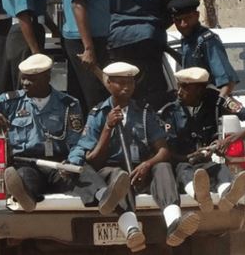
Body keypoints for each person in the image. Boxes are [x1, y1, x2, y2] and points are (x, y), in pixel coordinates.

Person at [0, 54, 129, 215]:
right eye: (23, 78)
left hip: (59, 164)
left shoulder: (68, 104)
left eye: (31, 79)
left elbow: (78, 141)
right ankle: (25, 197)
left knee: (83, 173)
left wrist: (72, 161)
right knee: (24, 177)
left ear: (47, 77)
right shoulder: (9, 101)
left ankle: (104, 198)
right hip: (27, 162)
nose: (25, 83)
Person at [69, 62, 200, 252]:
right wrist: (108, 128)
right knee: (118, 176)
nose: (127, 87)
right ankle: (131, 231)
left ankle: (174, 223)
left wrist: (148, 164)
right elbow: (93, 159)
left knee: (162, 166)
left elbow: (163, 151)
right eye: (120, 83)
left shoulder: (145, 112)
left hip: (140, 170)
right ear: (108, 84)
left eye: (130, 83)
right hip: (113, 171)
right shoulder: (98, 114)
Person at [158, 67, 245, 212]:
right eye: (179, 86)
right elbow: (165, 152)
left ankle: (227, 195)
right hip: (182, 163)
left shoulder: (218, 101)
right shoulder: (169, 110)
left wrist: (229, 140)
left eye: (185, 87)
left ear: (200, 89)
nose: (179, 92)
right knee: (184, 171)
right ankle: (200, 196)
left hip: (206, 162)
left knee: (220, 170)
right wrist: (189, 157)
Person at [169, 0, 239, 98]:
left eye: (188, 18)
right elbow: (191, 65)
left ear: (197, 15)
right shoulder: (187, 39)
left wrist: (216, 105)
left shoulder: (207, 41)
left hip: (209, 102)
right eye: (178, 20)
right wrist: (167, 50)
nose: (183, 24)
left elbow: (227, 83)